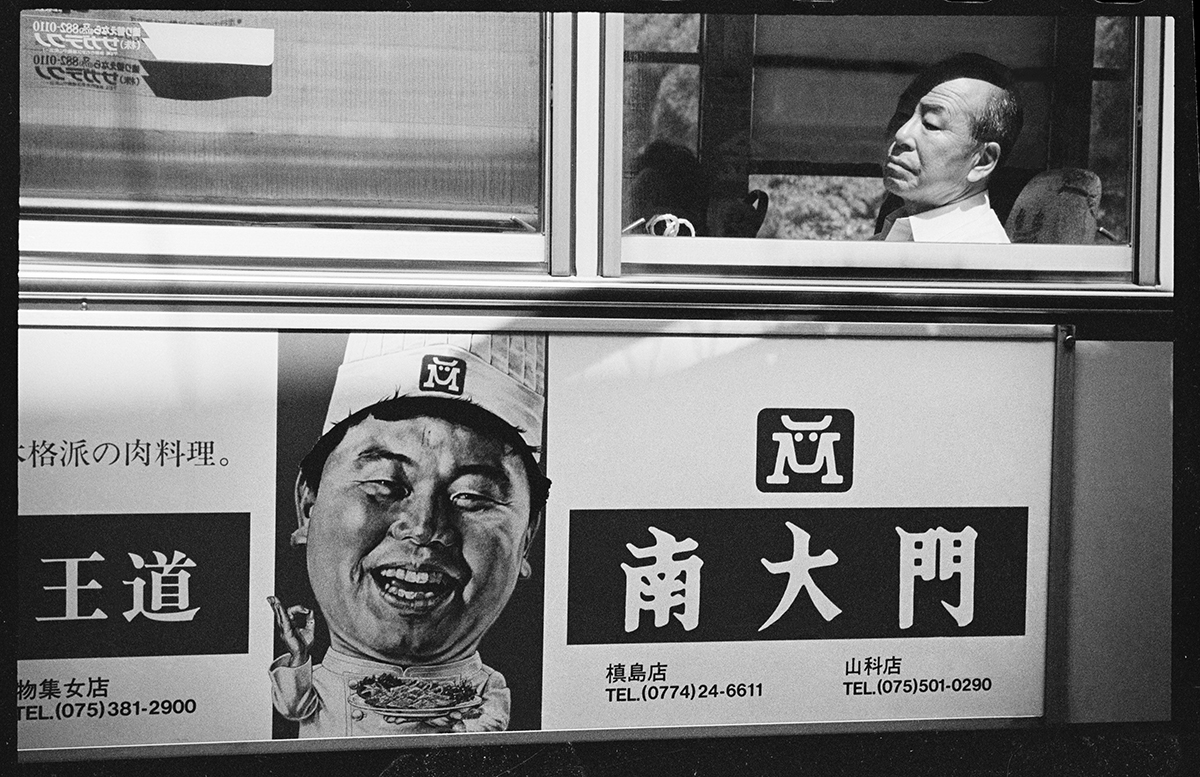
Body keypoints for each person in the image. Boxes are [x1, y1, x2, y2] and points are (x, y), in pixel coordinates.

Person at [269, 333, 550, 737]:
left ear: (526, 537)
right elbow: (294, 706)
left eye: (471, 496)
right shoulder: (322, 681)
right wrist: (298, 657)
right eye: (385, 483)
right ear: (309, 506)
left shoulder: (486, 689)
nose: (423, 528)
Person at [874, 53, 1024, 243]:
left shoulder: (979, 256)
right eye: (903, 116)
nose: (901, 134)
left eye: (931, 124)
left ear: (982, 161)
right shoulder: (889, 239)